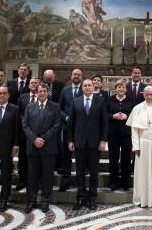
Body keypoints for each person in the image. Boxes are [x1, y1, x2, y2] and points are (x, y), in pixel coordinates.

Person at [67, 79, 109, 210]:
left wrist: (103, 140)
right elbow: (71, 123)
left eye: (89, 85)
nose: (87, 87)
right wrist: (70, 140)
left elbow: (105, 123)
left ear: (93, 87)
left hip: (94, 143)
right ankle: (80, 197)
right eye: (84, 85)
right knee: (79, 172)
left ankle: (92, 198)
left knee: (94, 172)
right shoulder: (76, 101)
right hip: (79, 142)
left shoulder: (100, 101)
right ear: (82, 88)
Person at [22, 83, 63, 213]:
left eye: (44, 91)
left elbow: (56, 125)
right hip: (33, 147)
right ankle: (31, 200)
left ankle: (45, 201)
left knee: (47, 176)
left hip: (48, 147)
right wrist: (34, 139)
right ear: (37, 92)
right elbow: (25, 125)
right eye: (39, 91)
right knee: (32, 176)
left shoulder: (55, 107)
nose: (42, 93)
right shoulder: (29, 107)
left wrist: (43, 139)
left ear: (48, 92)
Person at [108, 79, 135, 191]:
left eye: (123, 87)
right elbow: (105, 114)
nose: (121, 89)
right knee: (113, 159)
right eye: (119, 87)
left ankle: (125, 183)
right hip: (113, 134)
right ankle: (113, 183)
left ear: (126, 89)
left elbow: (134, 114)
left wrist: (126, 116)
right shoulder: (110, 100)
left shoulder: (130, 100)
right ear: (116, 88)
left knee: (126, 159)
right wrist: (113, 116)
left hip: (126, 134)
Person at [59, 68, 83, 190]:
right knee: (66, 156)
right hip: (67, 127)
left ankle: (80, 183)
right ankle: (65, 181)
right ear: (71, 76)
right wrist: (66, 117)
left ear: (81, 77)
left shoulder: (85, 91)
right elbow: (60, 108)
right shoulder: (65, 90)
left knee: (79, 156)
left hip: (80, 128)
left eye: (78, 75)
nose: (76, 76)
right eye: (74, 74)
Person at [16, 77, 39, 192]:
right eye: (32, 83)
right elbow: (18, 112)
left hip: (38, 135)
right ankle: (22, 181)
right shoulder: (22, 97)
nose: (34, 85)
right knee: (23, 158)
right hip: (24, 134)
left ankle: (36, 181)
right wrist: (26, 122)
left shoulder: (43, 97)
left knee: (36, 159)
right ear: (29, 85)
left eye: (36, 83)